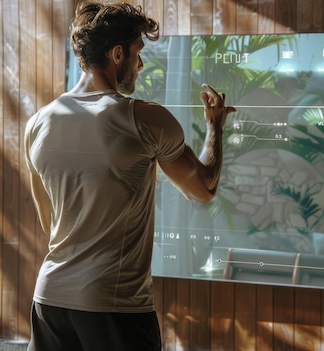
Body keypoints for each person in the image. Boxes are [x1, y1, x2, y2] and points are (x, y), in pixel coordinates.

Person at [23, 2, 235, 350]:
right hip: (114, 306)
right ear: (117, 53)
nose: (140, 63)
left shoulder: (38, 123)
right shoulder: (144, 119)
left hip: (49, 299)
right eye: (137, 52)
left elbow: (51, 224)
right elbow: (204, 189)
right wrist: (215, 127)